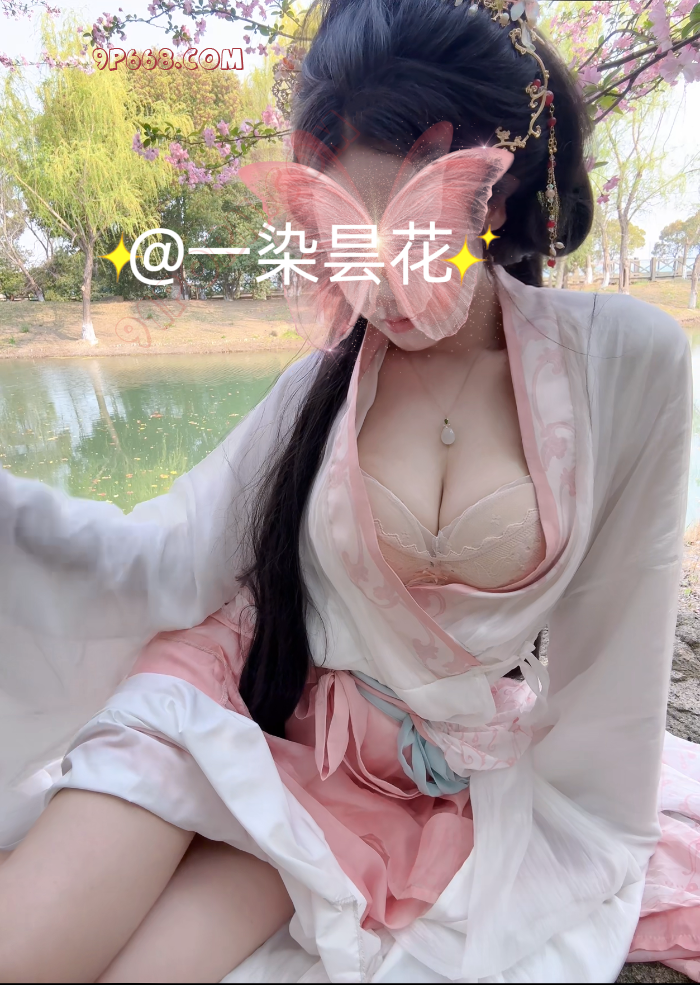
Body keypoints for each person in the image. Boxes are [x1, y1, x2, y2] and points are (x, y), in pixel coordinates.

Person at [0, 0, 696, 982]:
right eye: (336, 239)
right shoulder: (316, 392)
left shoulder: (625, 363)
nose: (372, 288)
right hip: (236, 702)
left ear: (490, 195)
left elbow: (615, 666)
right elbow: (159, 554)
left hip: (388, 792)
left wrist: (581, 845)